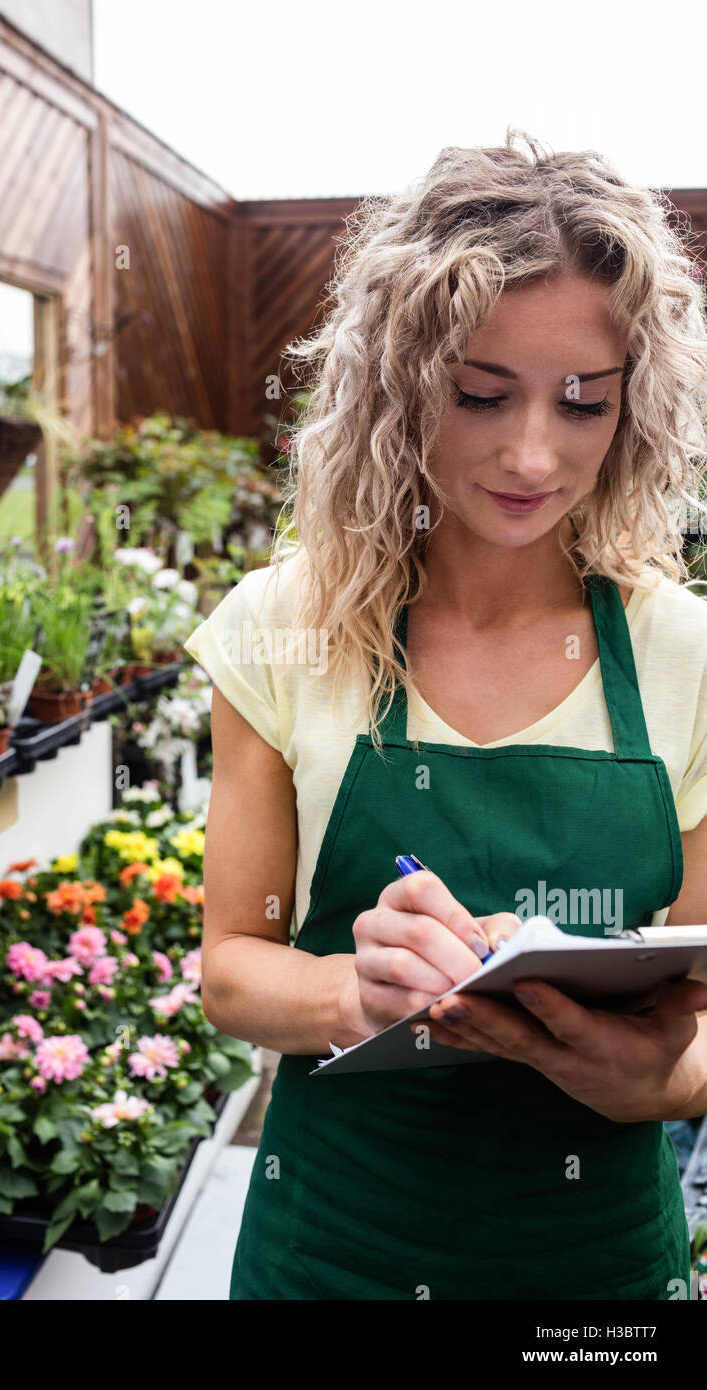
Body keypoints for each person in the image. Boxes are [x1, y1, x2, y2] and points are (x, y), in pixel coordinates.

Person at [184, 128, 707, 1300]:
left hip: (594, 1274)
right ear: (397, 382)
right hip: (331, 1255)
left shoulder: (685, 654)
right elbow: (231, 967)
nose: (531, 453)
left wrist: (660, 1083)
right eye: (479, 394)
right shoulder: (285, 629)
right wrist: (350, 993)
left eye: (582, 404)